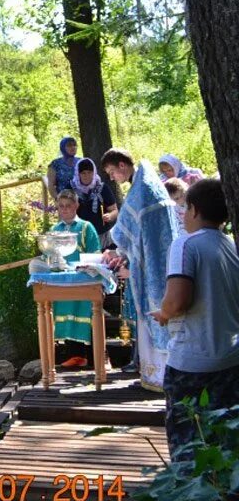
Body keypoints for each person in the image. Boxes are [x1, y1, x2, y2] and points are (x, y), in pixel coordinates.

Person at [151, 178, 239, 463]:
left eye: (186, 207)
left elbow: (177, 300)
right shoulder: (230, 246)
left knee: (189, 449)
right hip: (230, 361)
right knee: (224, 447)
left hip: (193, 364)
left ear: (195, 210)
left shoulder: (186, 245)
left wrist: (164, 313)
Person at [102, 148, 180, 391]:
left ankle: (158, 377)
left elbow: (124, 232)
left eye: (112, 172)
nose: (113, 177)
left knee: (153, 317)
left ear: (123, 165)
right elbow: (139, 234)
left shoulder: (142, 192)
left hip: (153, 266)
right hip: (161, 261)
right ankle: (157, 375)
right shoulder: (147, 185)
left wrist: (118, 252)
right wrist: (125, 255)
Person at [49, 189, 103, 368]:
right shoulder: (54, 230)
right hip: (62, 282)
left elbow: (96, 253)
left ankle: (95, 357)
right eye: (61, 206)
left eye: (68, 206)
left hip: (83, 281)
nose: (64, 210)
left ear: (76, 206)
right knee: (64, 315)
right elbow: (49, 256)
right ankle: (75, 355)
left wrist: (86, 267)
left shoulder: (86, 227)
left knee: (86, 314)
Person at [73, 158, 118, 242]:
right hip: (77, 234)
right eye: (83, 173)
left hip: (100, 234)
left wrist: (110, 216)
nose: (86, 176)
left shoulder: (103, 188)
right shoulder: (71, 188)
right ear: (78, 174)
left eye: (89, 172)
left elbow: (115, 210)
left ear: (94, 173)